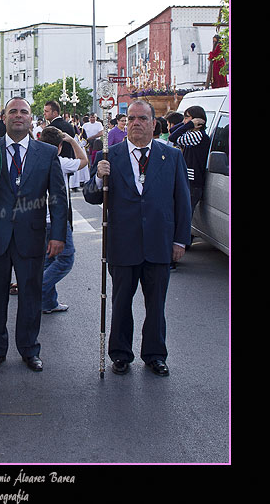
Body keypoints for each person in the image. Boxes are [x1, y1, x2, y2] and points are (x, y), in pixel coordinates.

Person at [83, 99, 191, 377]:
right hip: (122, 243)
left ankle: (155, 355)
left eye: (142, 119)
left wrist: (180, 241)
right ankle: (120, 354)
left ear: (154, 124)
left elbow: (182, 201)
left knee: (156, 304)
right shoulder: (109, 154)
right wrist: (98, 178)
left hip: (159, 242)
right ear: (125, 122)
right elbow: (92, 196)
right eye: (131, 118)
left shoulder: (172, 156)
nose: (136, 123)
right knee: (120, 303)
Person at [0, 97, 68, 372]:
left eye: (24, 112)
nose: (18, 116)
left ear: (32, 119)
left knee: (31, 296)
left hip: (32, 237)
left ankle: (29, 349)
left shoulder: (46, 153)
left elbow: (57, 198)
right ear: (4, 117)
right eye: (13, 112)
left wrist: (58, 235)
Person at [39, 127, 88, 313]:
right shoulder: (60, 161)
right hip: (56, 219)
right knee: (66, 259)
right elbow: (83, 161)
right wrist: (72, 141)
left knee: (48, 261)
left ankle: (48, 303)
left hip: (40, 219)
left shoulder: (34, 160)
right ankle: (38, 287)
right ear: (59, 147)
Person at [168, 105, 211, 218]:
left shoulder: (198, 136)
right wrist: (187, 123)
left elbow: (173, 137)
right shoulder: (191, 134)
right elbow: (172, 130)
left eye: (187, 117)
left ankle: (183, 236)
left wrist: (190, 124)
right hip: (188, 181)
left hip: (193, 183)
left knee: (184, 217)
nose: (184, 121)